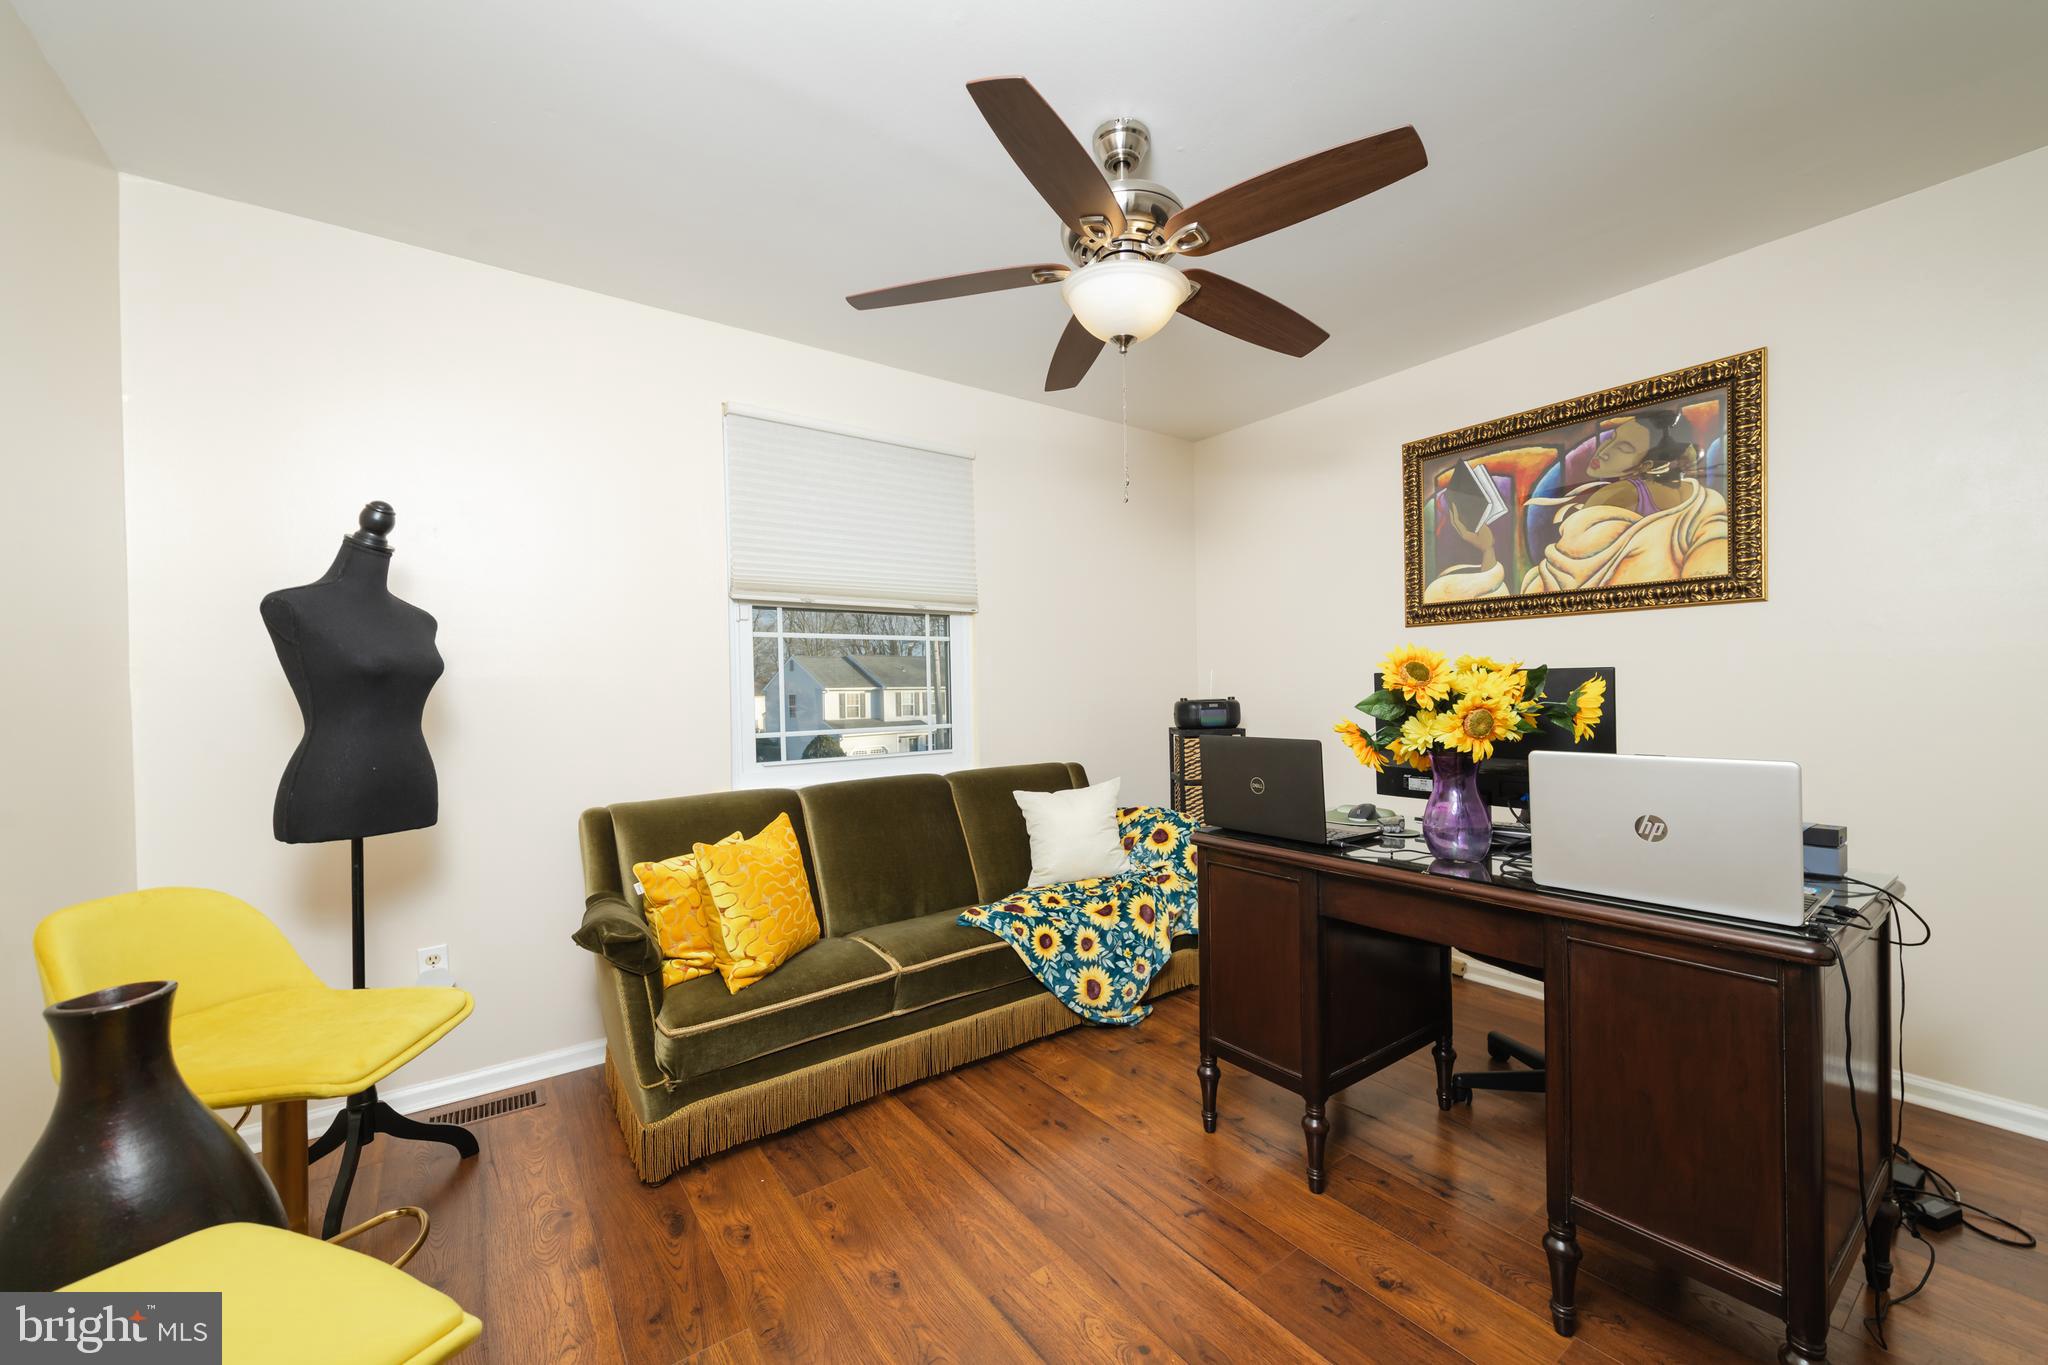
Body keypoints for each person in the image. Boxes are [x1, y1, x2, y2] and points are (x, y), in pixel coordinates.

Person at [1520, 409, 1727, 592]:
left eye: (1624, 448)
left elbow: (1564, 575)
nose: (1605, 451)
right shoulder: (1699, 496)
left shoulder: (1616, 494)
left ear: (1647, 465)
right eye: (1613, 439)